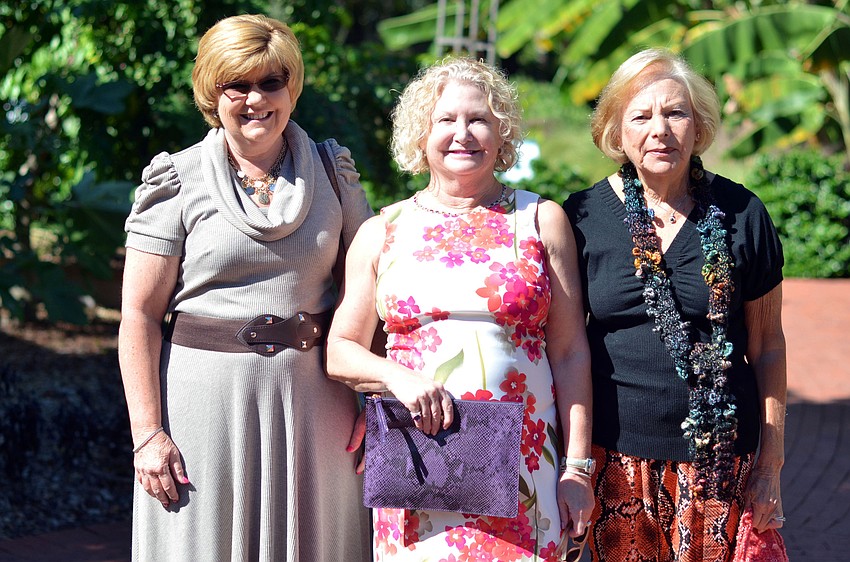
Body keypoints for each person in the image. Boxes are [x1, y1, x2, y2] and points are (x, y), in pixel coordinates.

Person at [118, 14, 372, 561]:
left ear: (292, 87)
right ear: (213, 93)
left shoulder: (333, 174)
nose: (256, 99)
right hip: (204, 412)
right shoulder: (175, 181)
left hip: (319, 408)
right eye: (237, 84)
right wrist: (147, 433)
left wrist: (376, 405)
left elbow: (369, 294)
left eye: (271, 82)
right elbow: (138, 315)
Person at [326, 57, 594, 561]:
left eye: (479, 120)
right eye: (446, 120)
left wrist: (577, 468)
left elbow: (570, 352)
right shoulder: (382, 232)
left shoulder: (541, 220)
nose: (463, 134)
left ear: (502, 133)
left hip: (525, 468)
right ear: (421, 134)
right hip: (418, 468)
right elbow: (340, 351)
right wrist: (396, 379)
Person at [563, 48, 787, 562]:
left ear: (699, 125)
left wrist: (770, 462)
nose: (659, 130)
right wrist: (573, 462)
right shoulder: (581, 217)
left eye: (675, 113)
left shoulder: (743, 213)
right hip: (613, 457)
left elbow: (768, 345)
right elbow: (565, 347)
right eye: (640, 116)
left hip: (720, 458)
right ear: (616, 132)